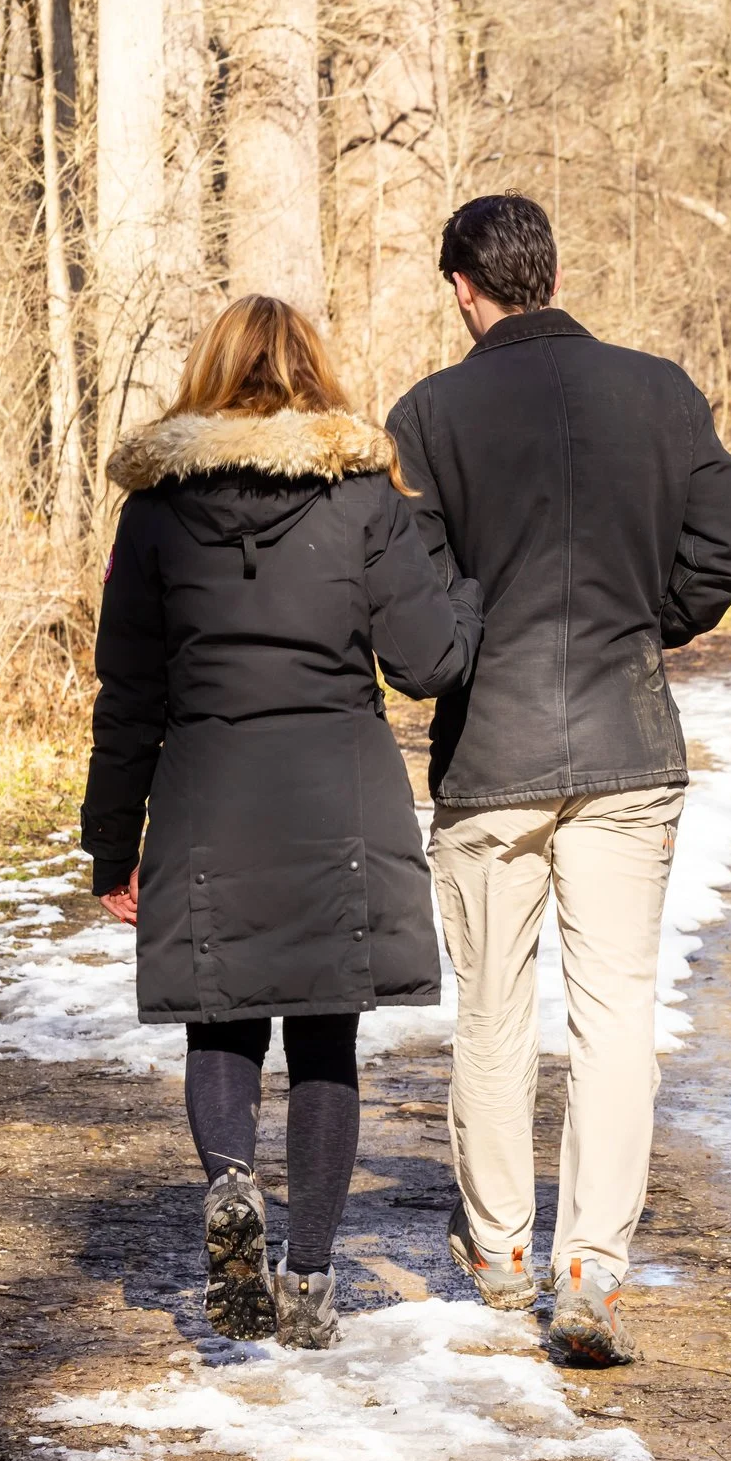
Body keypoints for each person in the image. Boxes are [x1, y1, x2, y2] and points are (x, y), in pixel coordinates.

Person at [385, 195, 731, 1367]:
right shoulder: (659, 390)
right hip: (626, 741)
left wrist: (463, 655)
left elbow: (415, 627)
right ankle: (590, 1265)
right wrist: (644, 624)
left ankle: (500, 1250)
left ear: (462, 286)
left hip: (490, 755)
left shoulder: (426, 415)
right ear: (549, 271)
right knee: (614, 1021)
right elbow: (730, 551)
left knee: (494, 1008)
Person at [81, 295, 482, 1350]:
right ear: (313, 370)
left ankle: (228, 1181)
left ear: (208, 372)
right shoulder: (361, 497)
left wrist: (110, 843)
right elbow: (429, 660)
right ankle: (307, 1278)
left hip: (207, 790)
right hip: (336, 794)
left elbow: (126, 691)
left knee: (221, 1015)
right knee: (322, 1032)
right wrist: (470, 599)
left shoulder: (156, 511)